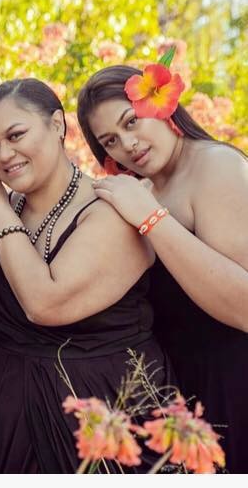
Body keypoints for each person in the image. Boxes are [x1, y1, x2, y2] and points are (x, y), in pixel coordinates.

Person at [0, 78, 175, 473]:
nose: (4, 154)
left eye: (16, 135)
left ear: (57, 125)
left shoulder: (111, 209)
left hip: (103, 423)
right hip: (9, 425)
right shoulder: (7, 209)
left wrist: (1, 212)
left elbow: (46, 303)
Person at [76, 63, 248, 473]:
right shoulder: (147, 190)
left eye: (132, 121)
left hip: (236, 386)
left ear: (163, 103)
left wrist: (152, 219)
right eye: (110, 141)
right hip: (183, 393)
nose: (127, 145)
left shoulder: (215, 166)